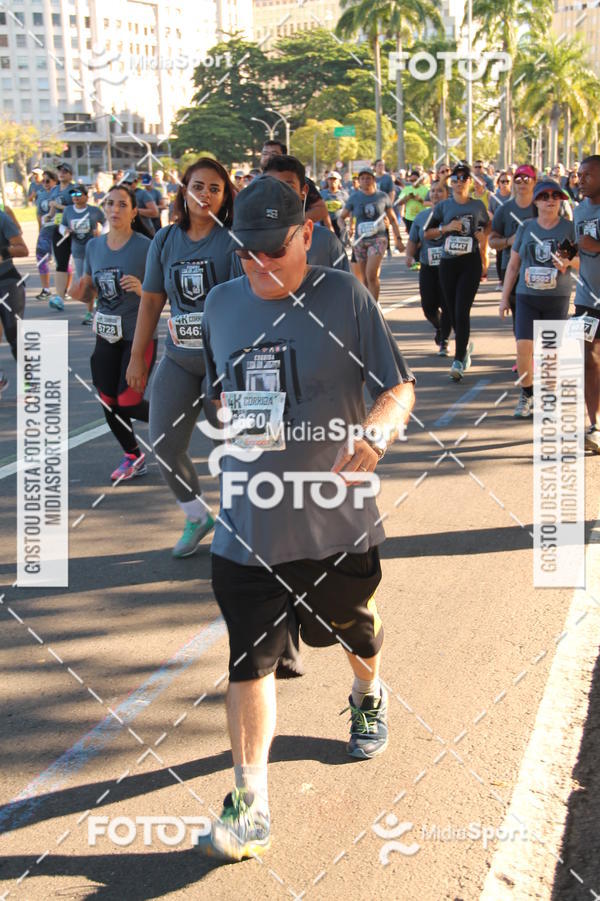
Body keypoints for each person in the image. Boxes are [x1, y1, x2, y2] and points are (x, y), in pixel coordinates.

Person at [195, 175, 415, 862]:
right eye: (246, 253)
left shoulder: (344, 296)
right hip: (249, 525)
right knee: (248, 661)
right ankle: (251, 800)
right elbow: (215, 398)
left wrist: (377, 431)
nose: (258, 267)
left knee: (357, 632)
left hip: (335, 522)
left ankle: (368, 690)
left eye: (273, 252)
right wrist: (221, 418)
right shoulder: (221, 305)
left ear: (306, 235)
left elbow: (398, 386)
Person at [126, 157, 235, 554]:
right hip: (178, 358)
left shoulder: (232, 239)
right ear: (184, 190)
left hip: (223, 361)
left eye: (215, 188)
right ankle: (196, 515)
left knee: (235, 445)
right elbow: (152, 299)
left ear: (224, 197)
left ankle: (241, 520)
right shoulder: (165, 239)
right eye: (198, 186)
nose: (205, 194)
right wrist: (138, 356)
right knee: (164, 443)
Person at [70, 185, 155, 480]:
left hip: (137, 335)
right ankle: (132, 454)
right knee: (108, 399)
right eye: (110, 204)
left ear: (134, 211)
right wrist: (79, 291)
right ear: (103, 208)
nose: (114, 210)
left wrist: (143, 290)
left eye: (122, 205)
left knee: (129, 401)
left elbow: (164, 292)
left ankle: (172, 415)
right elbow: (88, 292)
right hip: (105, 334)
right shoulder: (94, 246)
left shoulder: (146, 246)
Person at [500, 178, 579, 417]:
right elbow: (513, 265)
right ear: (537, 201)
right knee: (523, 348)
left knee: (550, 352)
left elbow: (580, 261)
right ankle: (527, 394)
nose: (551, 201)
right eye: (545, 197)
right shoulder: (526, 227)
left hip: (556, 297)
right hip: (527, 296)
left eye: (556, 197)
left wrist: (568, 262)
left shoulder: (568, 228)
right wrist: (504, 298)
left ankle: (548, 396)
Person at [424, 162, 490, 380]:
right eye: (455, 179)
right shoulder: (443, 207)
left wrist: (483, 240)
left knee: (462, 310)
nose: (459, 183)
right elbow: (428, 233)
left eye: (464, 179)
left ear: (470, 183)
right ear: (450, 184)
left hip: (470, 263)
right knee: (451, 311)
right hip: (448, 263)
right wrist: (446, 228)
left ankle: (459, 359)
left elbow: (487, 226)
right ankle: (464, 345)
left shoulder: (477, 206)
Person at [263, 155, 350, 271]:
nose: (280, 193)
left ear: (304, 191)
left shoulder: (326, 241)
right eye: (272, 186)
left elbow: (343, 284)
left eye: (288, 186)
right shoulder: (248, 244)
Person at [489, 165, 536, 357]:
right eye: (518, 179)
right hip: (512, 269)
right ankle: (524, 357)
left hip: (540, 270)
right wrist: (509, 241)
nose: (521, 183)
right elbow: (492, 240)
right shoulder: (505, 210)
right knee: (520, 318)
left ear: (534, 182)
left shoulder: (542, 205)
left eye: (527, 179)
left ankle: (536, 358)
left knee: (541, 317)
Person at [339, 167, 404, 300]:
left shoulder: (382, 197)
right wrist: (344, 228)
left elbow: (392, 219)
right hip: (360, 241)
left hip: (378, 239)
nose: (365, 181)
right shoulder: (354, 197)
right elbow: (342, 216)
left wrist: (398, 239)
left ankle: (374, 307)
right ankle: (369, 305)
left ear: (373, 180)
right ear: (359, 181)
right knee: (363, 279)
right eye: (362, 178)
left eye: (368, 178)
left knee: (371, 275)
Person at [406, 179, 452, 354]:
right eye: (432, 191)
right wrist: (409, 256)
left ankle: (445, 341)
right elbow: (413, 240)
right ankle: (440, 327)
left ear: (447, 194)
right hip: (428, 266)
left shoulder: (452, 215)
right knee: (428, 306)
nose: (435, 194)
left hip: (449, 267)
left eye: (440, 191)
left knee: (447, 305)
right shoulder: (422, 217)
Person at [573, 155, 600, 452]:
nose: (581, 180)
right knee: (589, 359)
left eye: (588, 175)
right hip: (586, 299)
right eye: (580, 175)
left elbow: (590, 244)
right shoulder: (579, 210)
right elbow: (577, 243)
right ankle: (595, 425)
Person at [259, 140, 333, 229]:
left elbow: (321, 210)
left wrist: (293, 222)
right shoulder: (255, 183)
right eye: (265, 153)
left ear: (284, 156)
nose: (268, 157)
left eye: (274, 154)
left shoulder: (300, 181)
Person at [61, 183, 106, 324]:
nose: (75, 197)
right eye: (73, 195)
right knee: (83, 281)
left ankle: (99, 307)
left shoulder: (94, 210)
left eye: (79, 194)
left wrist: (101, 235)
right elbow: (62, 225)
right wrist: (65, 231)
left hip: (93, 250)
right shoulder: (68, 210)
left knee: (95, 279)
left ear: (86, 196)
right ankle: (89, 312)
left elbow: (107, 223)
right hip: (77, 250)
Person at [0, 209, 28, 395]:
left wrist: (2, 252)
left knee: (15, 337)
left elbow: (22, 249)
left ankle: (30, 384)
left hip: (7, 283)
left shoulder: (2, 218)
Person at [48, 162, 78, 311]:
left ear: (71, 174)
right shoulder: (54, 189)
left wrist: (58, 206)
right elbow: (53, 209)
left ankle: (93, 301)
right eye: (60, 171)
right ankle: (60, 297)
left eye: (65, 171)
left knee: (82, 263)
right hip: (59, 229)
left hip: (74, 230)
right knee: (61, 262)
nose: (62, 173)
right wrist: (49, 216)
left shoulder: (74, 189)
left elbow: (76, 207)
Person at [34, 170, 60, 302]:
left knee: (62, 260)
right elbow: (39, 214)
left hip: (58, 230)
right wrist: (40, 230)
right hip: (45, 230)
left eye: (48, 180)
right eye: (43, 181)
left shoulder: (60, 191)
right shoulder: (41, 195)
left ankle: (63, 291)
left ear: (55, 180)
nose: (45, 183)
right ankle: (46, 289)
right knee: (41, 258)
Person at [488, 171, 513, 281]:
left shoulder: (514, 197)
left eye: (507, 181)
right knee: (500, 255)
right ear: (498, 183)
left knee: (512, 255)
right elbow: (490, 212)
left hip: (512, 230)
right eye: (502, 181)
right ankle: (501, 280)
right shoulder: (494, 198)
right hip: (499, 230)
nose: (505, 184)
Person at [398, 170, 429, 243]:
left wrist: (420, 200)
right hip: (409, 218)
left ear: (420, 180)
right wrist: (407, 198)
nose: (413, 182)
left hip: (421, 218)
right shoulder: (407, 189)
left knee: (421, 238)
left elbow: (430, 203)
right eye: (411, 180)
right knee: (412, 239)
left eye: (415, 180)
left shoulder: (425, 189)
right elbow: (399, 202)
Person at [321, 171, 349, 243]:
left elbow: (349, 209)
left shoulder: (344, 195)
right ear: (327, 181)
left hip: (339, 224)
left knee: (340, 246)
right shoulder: (322, 194)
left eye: (334, 179)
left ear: (339, 181)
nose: (332, 181)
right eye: (330, 179)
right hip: (325, 224)